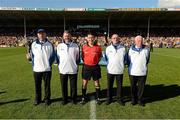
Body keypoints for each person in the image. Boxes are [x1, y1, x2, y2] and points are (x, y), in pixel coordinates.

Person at [31, 29, 55, 106]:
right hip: (37, 69)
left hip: (47, 69)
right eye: (39, 33)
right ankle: (37, 99)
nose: (41, 35)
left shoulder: (50, 44)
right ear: (37, 35)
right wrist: (31, 61)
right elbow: (32, 56)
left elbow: (52, 56)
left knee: (47, 86)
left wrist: (48, 65)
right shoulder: (33, 44)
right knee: (37, 85)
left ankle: (47, 99)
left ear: (45, 34)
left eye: (42, 33)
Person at [56, 31, 80, 105]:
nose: (67, 37)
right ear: (63, 37)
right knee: (64, 86)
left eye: (68, 36)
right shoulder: (59, 46)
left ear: (71, 36)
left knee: (73, 86)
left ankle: (73, 99)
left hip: (73, 69)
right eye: (65, 36)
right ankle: (64, 99)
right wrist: (60, 66)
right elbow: (57, 58)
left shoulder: (76, 45)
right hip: (63, 69)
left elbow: (78, 58)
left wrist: (75, 65)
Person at [127, 35, 150, 106]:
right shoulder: (130, 49)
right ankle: (133, 100)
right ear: (135, 41)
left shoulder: (147, 49)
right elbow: (128, 60)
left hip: (142, 72)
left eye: (141, 40)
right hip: (133, 72)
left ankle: (140, 100)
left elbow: (147, 59)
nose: (139, 42)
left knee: (141, 88)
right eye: (138, 40)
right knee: (133, 87)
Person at [80, 33, 102, 105]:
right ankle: (83, 98)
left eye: (92, 37)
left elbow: (100, 57)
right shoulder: (84, 47)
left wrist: (95, 62)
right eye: (89, 38)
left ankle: (98, 98)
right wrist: (87, 62)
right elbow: (82, 57)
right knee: (84, 83)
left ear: (94, 38)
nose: (90, 39)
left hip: (95, 67)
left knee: (97, 83)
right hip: (86, 67)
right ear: (87, 38)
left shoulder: (98, 47)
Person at [105, 34, 126, 106]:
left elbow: (125, 59)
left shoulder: (123, 48)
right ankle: (109, 99)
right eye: (114, 38)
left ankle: (119, 99)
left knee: (119, 86)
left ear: (119, 39)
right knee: (109, 86)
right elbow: (106, 59)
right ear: (111, 39)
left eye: (117, 38)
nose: (115, 39)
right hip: (110, 70)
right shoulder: (108, 48)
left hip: (119, 70)